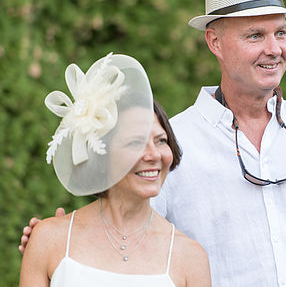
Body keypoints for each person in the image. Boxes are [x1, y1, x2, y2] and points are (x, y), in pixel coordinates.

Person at [21, 0, 286, 286]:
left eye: (281, 32)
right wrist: (59, 240)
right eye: (255, 36)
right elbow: (123, 237)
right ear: (214, 42)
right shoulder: (168, 144)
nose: (274, 49)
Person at [19, 53, 210, 286]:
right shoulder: (49, 239)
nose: (153, 155)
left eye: (161, 140)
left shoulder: (190, 257)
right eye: (135, 142)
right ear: (103, 154)